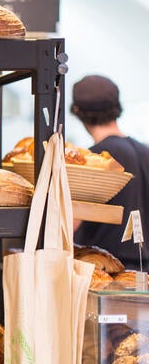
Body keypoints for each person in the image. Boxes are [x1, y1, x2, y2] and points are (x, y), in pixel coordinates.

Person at [71, 74, 149, 270]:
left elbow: (70, 225)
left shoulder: (94, 160)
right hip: (145, 272)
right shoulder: (145, 152)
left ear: (77, 110)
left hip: (107, 270)